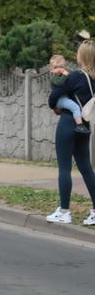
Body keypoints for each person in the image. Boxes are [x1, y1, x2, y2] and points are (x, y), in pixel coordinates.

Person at [47, 40, 95, 225]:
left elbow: (54, 96)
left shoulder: (76, 76)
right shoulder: (93, 79)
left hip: (68, 124)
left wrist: (54, 106)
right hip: (85, 126)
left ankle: (64, 211)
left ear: (82, 56)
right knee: (87, 169)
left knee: (65, 168)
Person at [49, 54, 88, 134]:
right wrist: (65, 75)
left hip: (64, 98)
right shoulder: (54, 78)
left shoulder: (63, 75)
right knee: (75, 107)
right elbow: (59, 83)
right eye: (56, 67)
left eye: (61, 67)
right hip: (60, 100)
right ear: (51, 70)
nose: (59, 69)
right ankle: (79, 125)